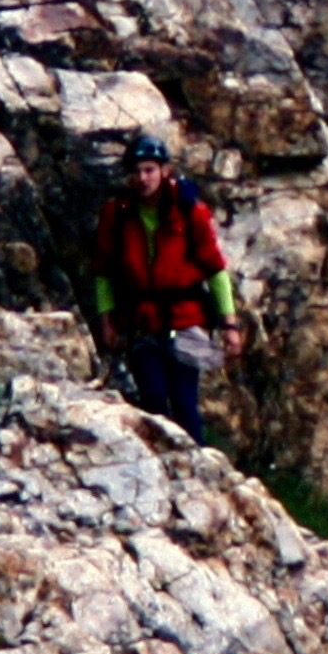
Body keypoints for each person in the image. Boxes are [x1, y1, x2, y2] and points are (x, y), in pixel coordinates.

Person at [91, 131, 243, 443]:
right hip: (141, 321)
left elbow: (215, 269)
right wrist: (107, 320)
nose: (143, 178)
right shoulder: (117, 214)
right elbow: (103, 272)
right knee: (153, 400)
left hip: (184, 319)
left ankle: (198, 470)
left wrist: (229, 322)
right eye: (136, 171)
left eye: (149, 170)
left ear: (165, 171)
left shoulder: (189, 211)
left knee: (185, 404)